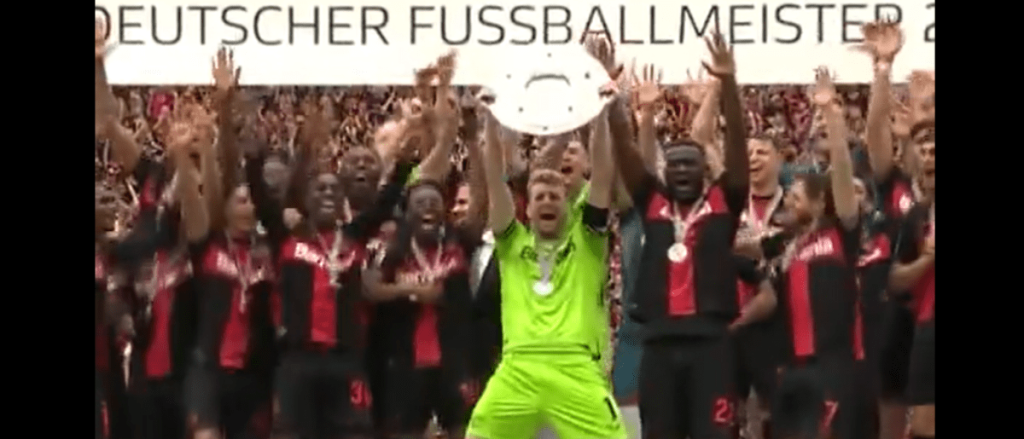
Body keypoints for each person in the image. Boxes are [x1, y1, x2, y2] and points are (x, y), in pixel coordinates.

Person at [466, 81, 623, 439]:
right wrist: (490, 118)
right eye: (540, 197)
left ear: (568, 205)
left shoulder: (587, 241)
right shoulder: (512, 243)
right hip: (518, 365)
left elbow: (602, 174)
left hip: (575, 365)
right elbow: (494, 180)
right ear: (528, 209)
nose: (548, 201)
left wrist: (600, 114)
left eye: (555, 196)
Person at [616, 33, 752, 439]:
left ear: (704, 170)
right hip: (658, 342)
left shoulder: (725, 200)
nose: (680, 171)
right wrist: (611, 98)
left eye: (689, 164)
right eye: (673, 165)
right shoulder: (653, 202)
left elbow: (737, 146)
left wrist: (727, 83)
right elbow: (624, 150)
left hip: (712, 343)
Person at [770, 67, 866, 439]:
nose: (788, 203)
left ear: (817, 202)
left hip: (834, 367)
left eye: (796, 197)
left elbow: (840, 175)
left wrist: (831, 116)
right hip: (793, 369)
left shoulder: (841, 232)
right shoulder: (786, 246)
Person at [889, 119, 935, 439]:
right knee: (922, 427)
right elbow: (895, 280)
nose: (930, 157)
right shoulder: (917, 216)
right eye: (925, 151)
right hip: (928, 326)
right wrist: (927, 260)